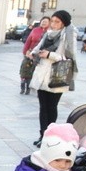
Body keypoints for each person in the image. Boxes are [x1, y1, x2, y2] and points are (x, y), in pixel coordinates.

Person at [27, 10, 77, 147]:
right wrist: (33, 52)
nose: (54, 24)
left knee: (51, 107)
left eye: (57, 22)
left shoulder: (67, 36)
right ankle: (42, 135)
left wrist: (49, 55)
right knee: (43, 107)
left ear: (63, 23)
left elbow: (68, 58)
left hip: (56, 76)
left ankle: (50, 136)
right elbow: (38, 47)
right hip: (42, 74)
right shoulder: (48, 34)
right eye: (53, 21)